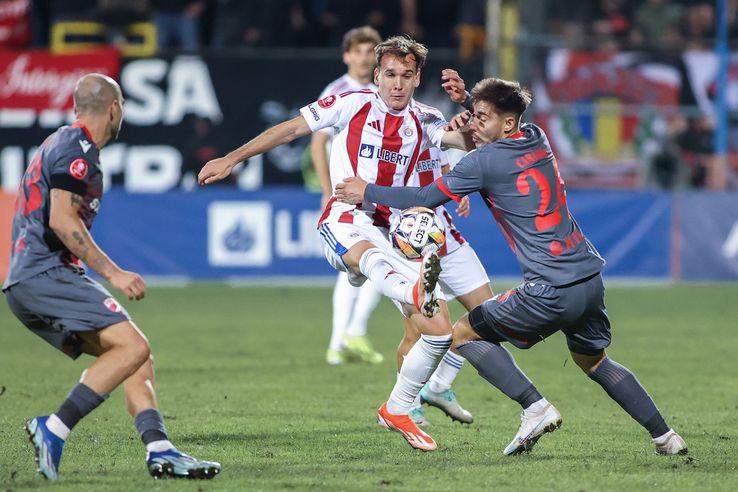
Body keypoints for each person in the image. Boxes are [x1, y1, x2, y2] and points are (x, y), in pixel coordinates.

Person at [335, 76, 689, 456]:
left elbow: (425, 196)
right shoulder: (537, 136)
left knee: (462, 334)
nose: (472, 124)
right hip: (587, 277)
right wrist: (471, 100)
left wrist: (366, 191)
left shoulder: (485, 161)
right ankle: (666, 437)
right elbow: (503, 111)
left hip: (550, 287)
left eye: (480, 118)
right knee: (595, 362)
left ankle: (535, 407)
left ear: (506, 123)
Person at [199, 36, 475, 452]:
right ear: (377, 76)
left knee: (434, 329)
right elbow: (291, 129)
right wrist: (232, 158)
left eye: (405, 76)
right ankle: (399, 287)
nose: (397, 84)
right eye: (389, 75)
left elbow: (469, 143)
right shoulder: (351, 102)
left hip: (399, 230)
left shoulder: (430, 118)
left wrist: (468, 111)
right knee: (376, 260)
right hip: (347, 217)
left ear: (417, 78)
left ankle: (401, 407)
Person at [2, 74, 221, 480]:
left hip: (29, 279)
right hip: (45, 272)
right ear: (114, 108)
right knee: (133, 346)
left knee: (134, 355)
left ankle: (160, 450)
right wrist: (114, 273)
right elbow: (62, 219)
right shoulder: (76, 147)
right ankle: (53, 428)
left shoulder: (62, 142)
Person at [399, 145, 493, 427]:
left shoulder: (430, 123)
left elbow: (442, 163)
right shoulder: (381, 130)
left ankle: (439, 386)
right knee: (418, 331)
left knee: (489, 316)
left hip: (445, 240)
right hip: (408, 246)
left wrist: (458, 190)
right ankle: (407, 406)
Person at [311, 26, 385, 366]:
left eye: (371, 51)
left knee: (373, 261)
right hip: (345, 194)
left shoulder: (383, 91)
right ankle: (345, 335)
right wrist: (327, 192)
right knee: (368, 262)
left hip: (375, 193)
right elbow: (318, 141)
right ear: (347, 55)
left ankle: (343, 340)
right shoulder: (338, 90)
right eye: (358, 51)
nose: (364, 57)